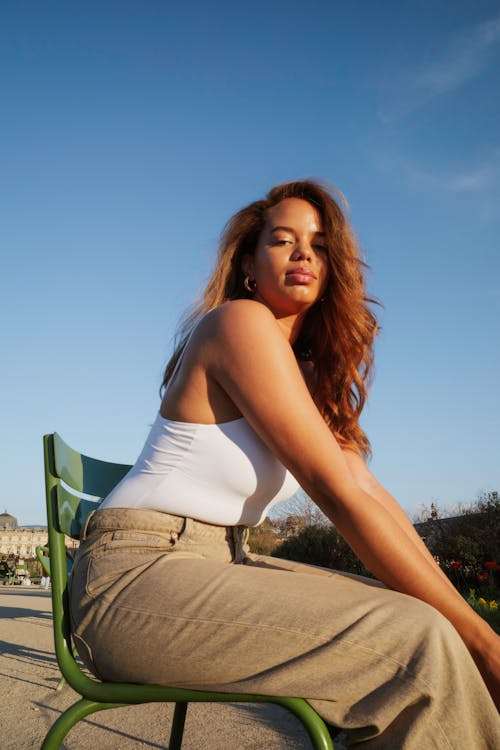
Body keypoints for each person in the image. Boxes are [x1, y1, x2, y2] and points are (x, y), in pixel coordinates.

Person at [70, 180, 499, 748]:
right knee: (417, 641)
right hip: (137, 579)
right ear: (250, 263)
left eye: (320, 245)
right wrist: (484, 644)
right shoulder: (238, 323)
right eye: (283, 240)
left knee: (432, 625)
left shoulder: (304, 375)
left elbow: (364, 488)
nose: (303, 254)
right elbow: (335, 492)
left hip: (218, 563)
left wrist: (469, 624)